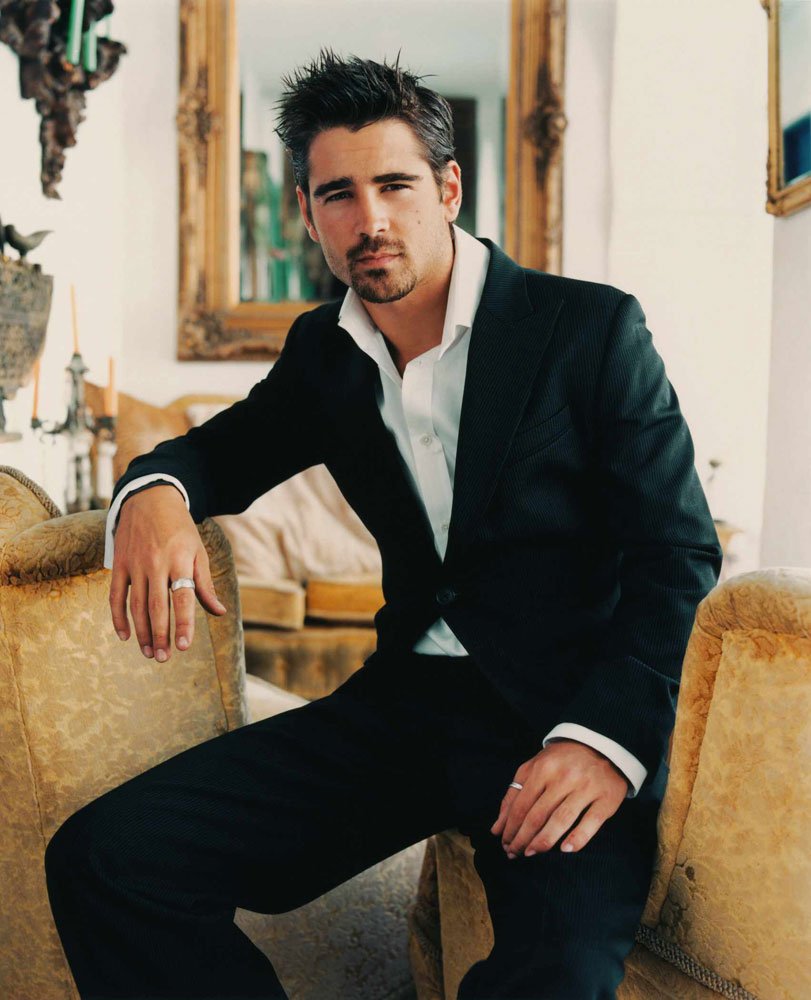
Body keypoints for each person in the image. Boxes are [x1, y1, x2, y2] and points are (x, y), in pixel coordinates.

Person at [44, 50, 722, 999]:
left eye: (395, 185)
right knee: (109, 857)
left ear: (447, 189)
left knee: (559, 976)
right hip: (403, 710)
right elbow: (215, 454)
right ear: (307, 211)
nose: (369, 220)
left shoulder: (588, 329)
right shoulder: (323, 352)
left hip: (559, 715)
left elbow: (676, 554)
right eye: (338, 195)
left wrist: (603, 739)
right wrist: (153, 494)